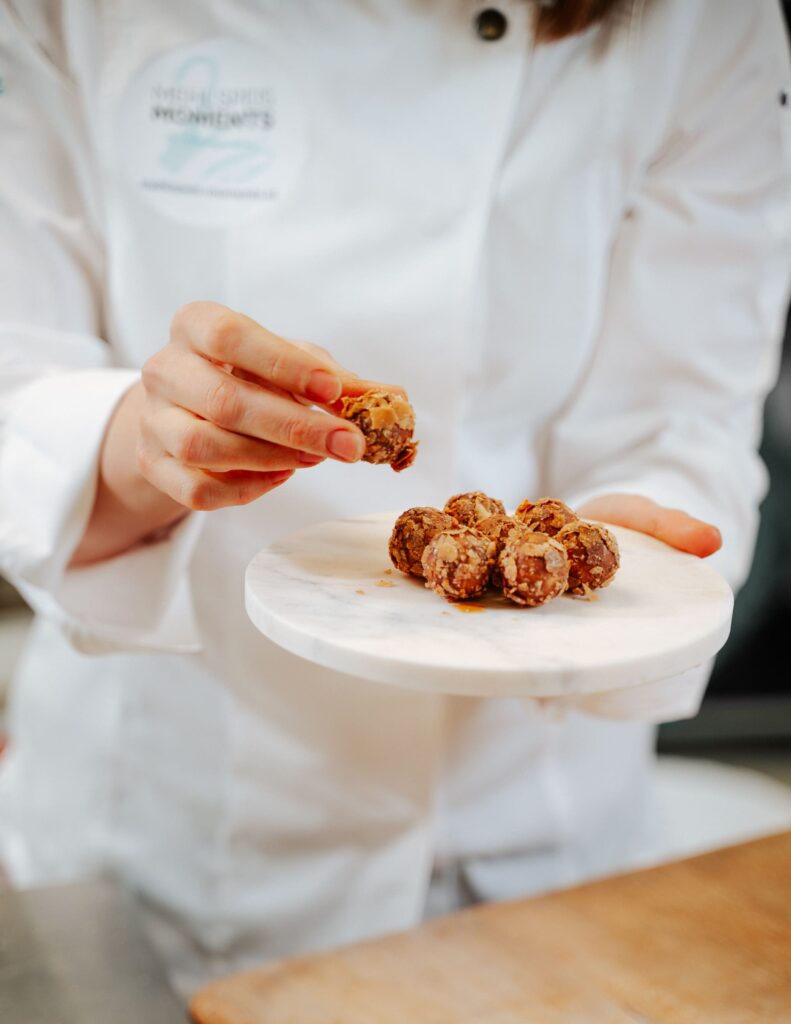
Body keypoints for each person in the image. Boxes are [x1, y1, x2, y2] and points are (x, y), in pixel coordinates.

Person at [1, 0, 789, 999]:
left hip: (529, 825)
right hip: (176, 819)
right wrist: (141, 444)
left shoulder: (702, 21)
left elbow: (679, 408)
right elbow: (16, 386)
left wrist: (640, 545)